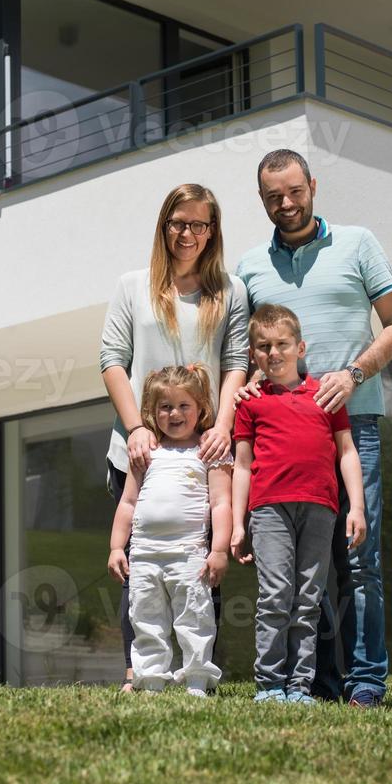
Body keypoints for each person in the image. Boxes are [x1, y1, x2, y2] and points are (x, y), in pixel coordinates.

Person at [236, 150, 392, 707]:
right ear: (261, 200)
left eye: (294, 191)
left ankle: (365, 683)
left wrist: (356, 371)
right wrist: (238, 387)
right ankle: (313, 683)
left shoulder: (358, 243)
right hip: (281, 433)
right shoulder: (249, 267)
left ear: (312, 186)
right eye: (272, 197)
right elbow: (244, 350)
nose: (285, 204)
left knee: (357, 558)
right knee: (297, 568)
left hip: (350, 422)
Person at [100, 184, 249, 692]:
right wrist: (137, 426)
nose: (188, 234)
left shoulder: (229, 291)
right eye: (178, 223)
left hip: (202, 456)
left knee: (202, 565)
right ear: (164, 226)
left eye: (199, 225)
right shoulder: (131, 286)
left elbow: (236, 365)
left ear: (213, 232)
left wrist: (223, 427)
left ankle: (198, 672)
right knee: (140, 566)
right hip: (140, 452)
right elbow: (112, 361)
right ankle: (136, 672)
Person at [231, 304, 366, 704]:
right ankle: (270, 684)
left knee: (307, 599)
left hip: (321, 508)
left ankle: (300, 686)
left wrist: (355, 507)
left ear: (300, 347)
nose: (273, 353)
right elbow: (241, 465)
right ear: (254, 355)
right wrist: (239, 523)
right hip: (268, 508)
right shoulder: (250, 402)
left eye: (282, 344)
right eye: (263, 346)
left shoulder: (326, 395)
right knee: (275, 595)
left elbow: (347, 451)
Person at [108, 364, 232, 696]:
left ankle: (197, 681)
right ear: (152, 411)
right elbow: (128, 502)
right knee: (146, 620)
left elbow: (222, 504)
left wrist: (218, 550)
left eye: (183, 406)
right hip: (145, 554)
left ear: (200, 408)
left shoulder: (209, 451)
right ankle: (149, 681)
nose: (174, 413)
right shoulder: (146, 452)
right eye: (165, 407)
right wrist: (117, 547)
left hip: (189, 554)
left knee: (195, 619)